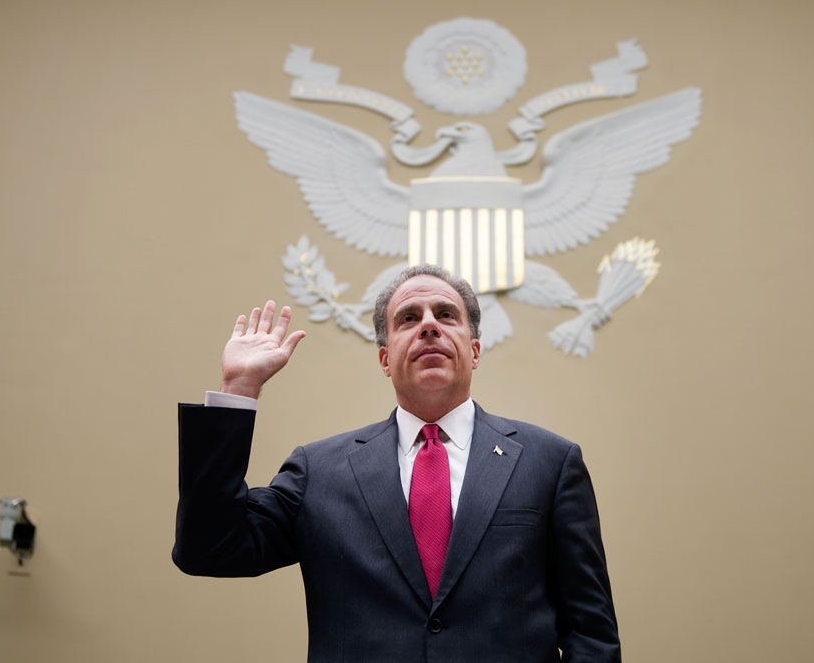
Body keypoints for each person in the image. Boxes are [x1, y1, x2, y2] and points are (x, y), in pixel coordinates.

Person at [174, 265, 621, 662]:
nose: (429, 326)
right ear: (386, 359)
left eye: (446, 315)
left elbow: (592, 633)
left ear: (476, 351)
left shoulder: (550, 462)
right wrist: (238, 390)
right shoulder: (319, 472)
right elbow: (209, 549)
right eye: (409, 319)